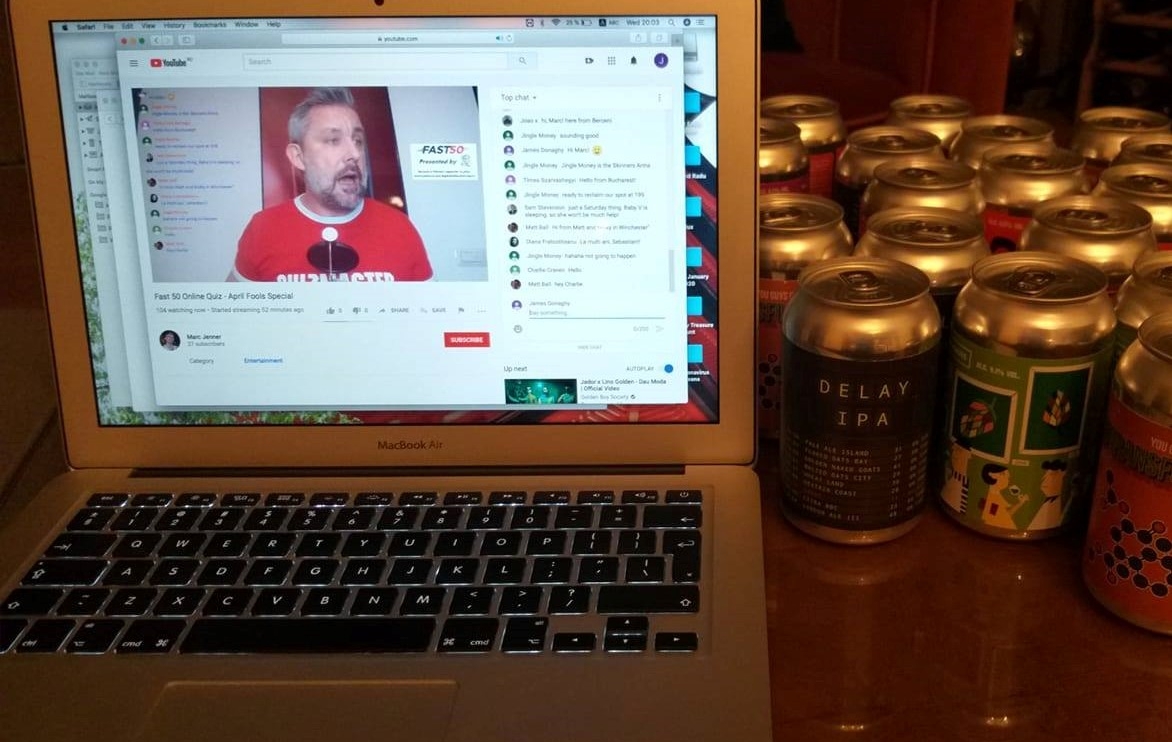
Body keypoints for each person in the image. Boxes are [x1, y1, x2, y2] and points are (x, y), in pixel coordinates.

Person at [230, 87, 432, 282]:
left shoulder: (400, 228)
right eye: (333, 140)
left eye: (358, 140)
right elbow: (233, 305)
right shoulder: (263, 229)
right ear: (298, 157)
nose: (354, 154)